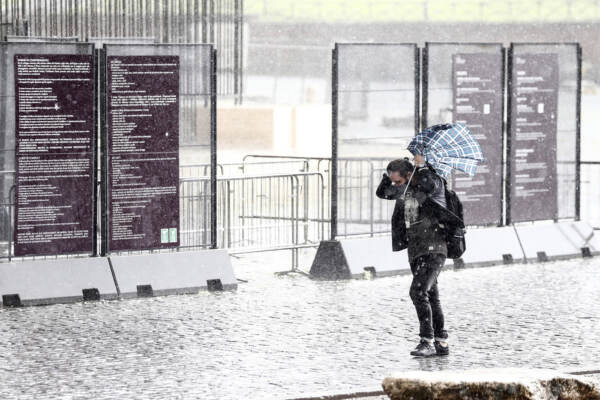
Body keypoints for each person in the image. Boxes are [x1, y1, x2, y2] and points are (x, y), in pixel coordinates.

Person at [376, 155, 449, 357]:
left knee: (417, 292)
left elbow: (430, 185)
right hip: (416, 249)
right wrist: (388, 176)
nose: (396, 185)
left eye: (398, 180)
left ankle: (426, 341)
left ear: (409, 175)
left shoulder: (430, 182)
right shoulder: (404, 189)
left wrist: (422, 167)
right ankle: (441, 342)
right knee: (431, 295)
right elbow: (383, 193)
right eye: (394, 181)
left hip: (435, 247)